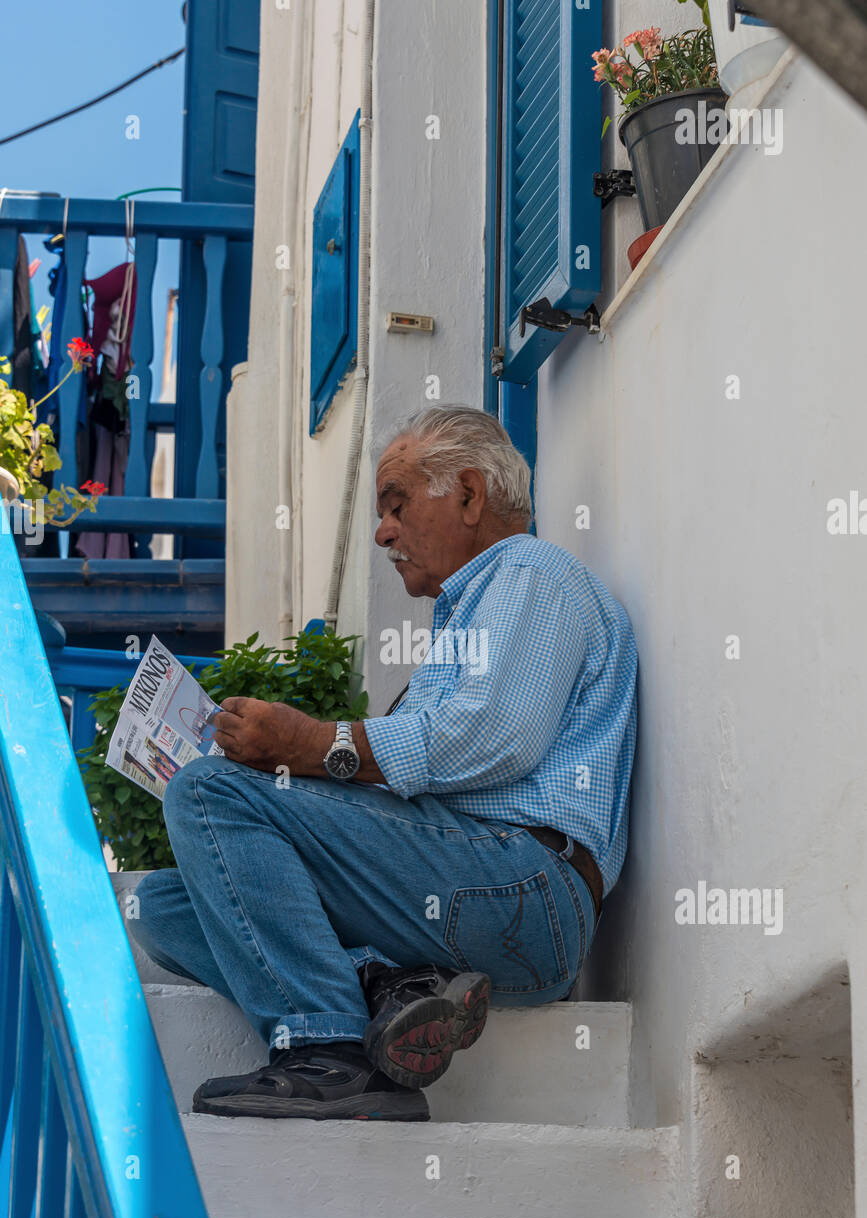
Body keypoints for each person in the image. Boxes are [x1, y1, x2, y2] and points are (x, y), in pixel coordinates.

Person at [133, 404, 638, 1122]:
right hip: (469, 897)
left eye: (396, 506)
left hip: (521, 889)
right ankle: (390, 995)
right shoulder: (472, 614)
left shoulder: (530, 571)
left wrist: (313, 746)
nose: (381, 532)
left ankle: (329, 1048)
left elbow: (493, 738)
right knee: (164, 906)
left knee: (212, 794)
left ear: (468, 494)